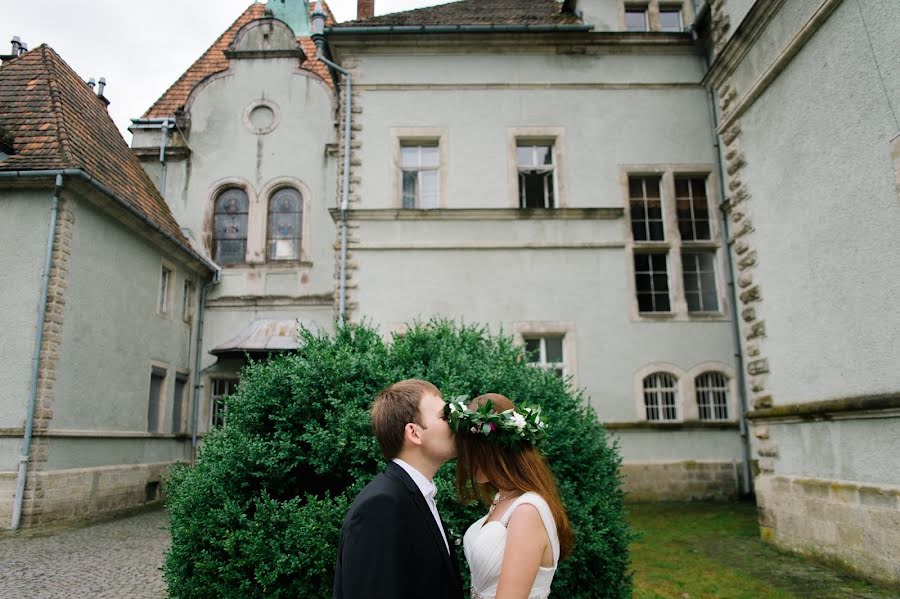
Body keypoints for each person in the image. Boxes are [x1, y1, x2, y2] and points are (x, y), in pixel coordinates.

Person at [333, 379, 463, 599]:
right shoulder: (381, 506)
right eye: (444, 416)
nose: (455, 422)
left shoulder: (414, 495)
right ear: (414, 433)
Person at [445, 393, 574, 599]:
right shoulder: (502, 498)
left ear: (495, 451)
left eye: (471, 452)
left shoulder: (527, 511)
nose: (466, 461)